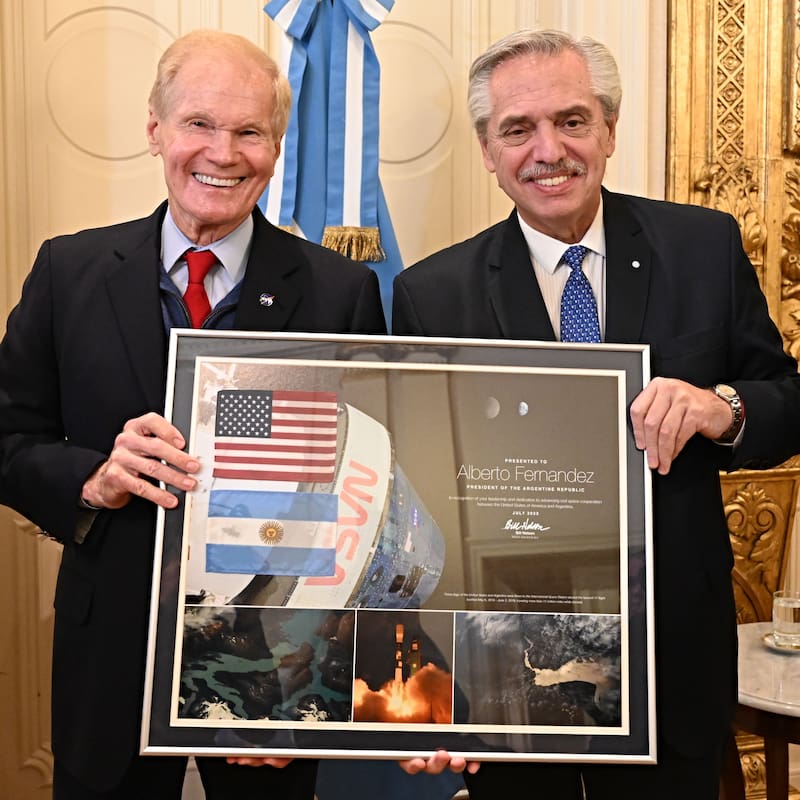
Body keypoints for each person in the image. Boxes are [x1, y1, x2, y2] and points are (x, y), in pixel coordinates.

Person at [392, 28, 800, 799]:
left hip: (672, 652)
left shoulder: (702, 248)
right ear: (488, 149)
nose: (550, 149)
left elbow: (787, 398)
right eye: (518, 129)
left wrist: (724, 407)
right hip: (511, 672)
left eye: (572, 121)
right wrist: (429, 682)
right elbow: (418, 504)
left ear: (609, 129)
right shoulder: (431, 294)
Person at [0, 29, 385, 800]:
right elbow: (8, 438)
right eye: (200, 124)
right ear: (156, 130)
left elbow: (370, 485)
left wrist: (312, 684)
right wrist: (94, 479)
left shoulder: (341, 292)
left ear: (276, 148)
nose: (224, 151)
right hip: (108, 644)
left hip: (272, 665)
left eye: (250, 131)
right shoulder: (68, 270)